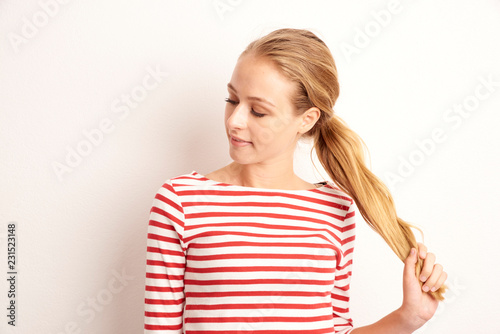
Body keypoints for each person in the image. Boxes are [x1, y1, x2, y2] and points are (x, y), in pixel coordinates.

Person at [143, 28, 447, 333]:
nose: (234, 121)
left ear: (307, 119)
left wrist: (409, 318)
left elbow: (335, 328)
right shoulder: (181, 202)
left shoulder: (335, 209)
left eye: (258, 112)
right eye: (232, 99)